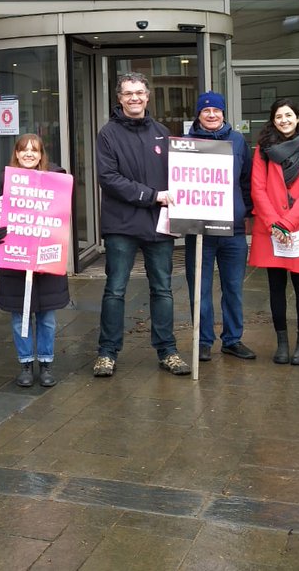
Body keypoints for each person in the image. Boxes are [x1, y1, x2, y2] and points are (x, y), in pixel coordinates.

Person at [94, 72, 189, 377]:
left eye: (139, 92)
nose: (134, 98)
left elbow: (180, 176)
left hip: (158, 225)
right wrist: (152, 195)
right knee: (115, 290)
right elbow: (108, 179)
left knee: (162, 289)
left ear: (148, 96)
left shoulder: (162, 132)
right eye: (127, 93)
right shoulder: (107, 134)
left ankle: (168, 351)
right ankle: (107, 353)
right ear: (119, 99)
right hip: (121, 226)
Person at [0, 134, 69, 388]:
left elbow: (62, 217)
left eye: (35, 150)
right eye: (24, 151)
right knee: (20, 316)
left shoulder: (56, 179)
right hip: (16, 264)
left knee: (46, 317)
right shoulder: (4, 182)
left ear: (42, 154)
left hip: (46, 264)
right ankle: (25, 363)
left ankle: (45, 364)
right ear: (17, 154)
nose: (29, 154)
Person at [248, 98, 299, 366]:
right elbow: (257, 189)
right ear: (273, 120)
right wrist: (274, 224)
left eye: (288, 115)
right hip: (270, 227)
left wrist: (287, 224)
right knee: (275, 285)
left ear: (298, 117)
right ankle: (282, 342)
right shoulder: (262, 150)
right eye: (279, 116)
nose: (284, 120)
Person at [184, 91, 255, 362]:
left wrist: (243, 210)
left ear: (223, 113)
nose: (212, 114)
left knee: (234, 287)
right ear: (198, 114)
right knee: (199, 288)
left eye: (216, 110)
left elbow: (247, 178)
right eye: (206, 110)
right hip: (199, 229)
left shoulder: (237, 140)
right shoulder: (187, 143)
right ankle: (202, 340)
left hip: (233, 230)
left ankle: (232, 340)